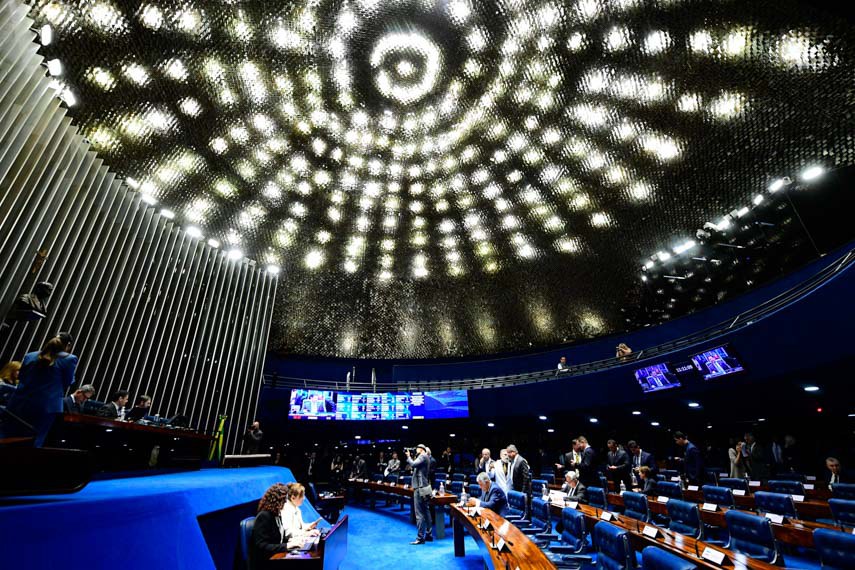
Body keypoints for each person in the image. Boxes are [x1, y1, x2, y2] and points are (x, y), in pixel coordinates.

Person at [1, 333, 77, 447]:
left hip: (19, 404)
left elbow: (21, 377)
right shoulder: (69, 359)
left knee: (7, 437)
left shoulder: (30, 356)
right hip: (45, 407)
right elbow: (68, 382)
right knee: (33, 443)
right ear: (68, 345)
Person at [249, 483, 291, 570]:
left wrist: (294, 541)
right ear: (277, 501)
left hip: (276, 558)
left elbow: (279, 539)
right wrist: (287, 546)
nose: (286, 502)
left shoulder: (277, 515)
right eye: (284, 500)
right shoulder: (264, 516)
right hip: (265, 563)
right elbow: (262, 546)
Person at [405, 444, 433, 544]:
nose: (415, 450)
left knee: (419, 513)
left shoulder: (422, 456)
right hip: (424, 487)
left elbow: (412, 464)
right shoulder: (425, 457)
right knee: (426, 511)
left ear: (421, 449)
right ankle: (429, 534)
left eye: (416, 449)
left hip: (419, 488)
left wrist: (408, 456)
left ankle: (420, 538)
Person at [280, 483, 321, 550]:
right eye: (301, 496)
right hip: (290, 544)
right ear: (293, 497)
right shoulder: (286, 509)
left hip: (298, 540)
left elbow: (300, 526)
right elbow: (288, 533)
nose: (303, 499)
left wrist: (309, 526)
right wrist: (306, 533)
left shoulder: (296, 508)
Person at [507, 444, 532, 514]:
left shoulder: (521, 461)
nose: (508, 455)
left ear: (514, 452)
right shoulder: (512, 461)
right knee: (518, 510)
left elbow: (526, 478)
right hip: (516, 488)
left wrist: (522, 492)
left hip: (522, 490)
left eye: (509, 452)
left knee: (524, 510)